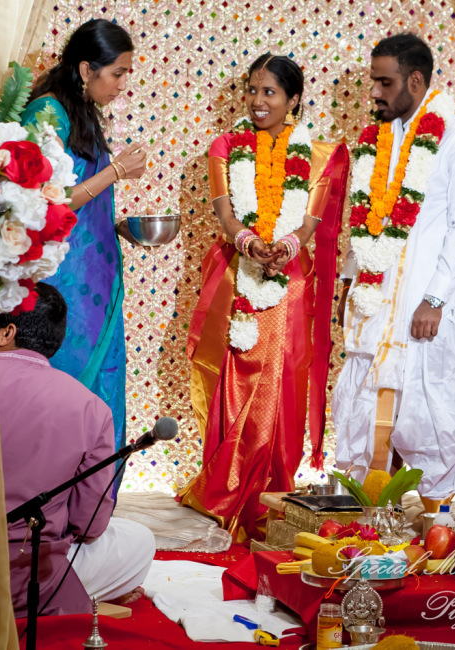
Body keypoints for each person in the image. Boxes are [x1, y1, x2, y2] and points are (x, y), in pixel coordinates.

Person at [177, 54, 349, 541]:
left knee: (282, 385)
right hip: (240, 278)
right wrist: (249, 242)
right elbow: (225, 215)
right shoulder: (225, 146)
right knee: (234, 381)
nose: (256, 100)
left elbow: (308, 225)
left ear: (293, 100)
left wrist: (286, 247)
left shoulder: (316, 156)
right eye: (252, 90)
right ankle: (227, 488)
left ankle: (273, 492)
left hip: (289, 284)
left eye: (269, 92)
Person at [332, 34, 455, 512]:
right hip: (375, 305)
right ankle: (366, 520)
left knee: (428, 410)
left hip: (424, 307)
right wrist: (350, 283)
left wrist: (435, 298)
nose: (374, 92)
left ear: (416, 81)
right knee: (363, 408)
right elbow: (366, 222)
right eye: (374, 81)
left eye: (385, 83)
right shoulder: (377, 141)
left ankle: (436, 522)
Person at [20, 19, 148, 461]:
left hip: (95, 274)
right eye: (117, 73)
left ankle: (93, 493)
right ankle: (50, 488)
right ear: (85, 69)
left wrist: (115, 224)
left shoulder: (81, 111)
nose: (122, 85)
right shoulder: (46, 113)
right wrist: (116, 171)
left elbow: (82, 199)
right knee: (65, 384)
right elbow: (46, 200)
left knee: (102, 385)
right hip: (63, 279)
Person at [0, 283, 155, 616]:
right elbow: (89, 526)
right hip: (26, 574)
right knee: (138, 540)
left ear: (6, 332)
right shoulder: (92, 408)